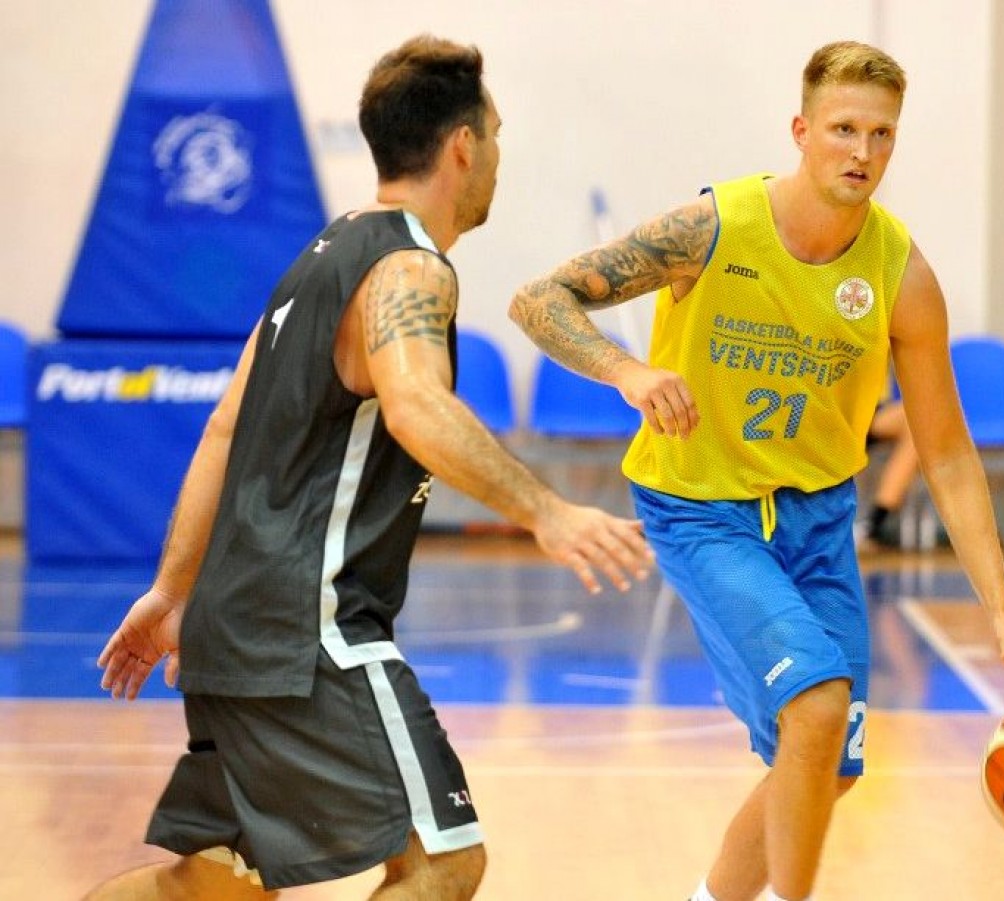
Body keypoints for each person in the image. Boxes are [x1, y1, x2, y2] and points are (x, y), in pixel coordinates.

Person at [509, 40, 1004, 901]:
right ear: (801, 131)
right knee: (815, 705)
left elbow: (948, 453)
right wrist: (627, 372)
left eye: (882, 135)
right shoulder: (710, 228)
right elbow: (538, 299)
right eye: (844, 129)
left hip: (817, 516)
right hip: (702, 506)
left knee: (829, 767)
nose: (862, 151)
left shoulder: (901, 275)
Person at [88, 35, 653, 901]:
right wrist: (549, 509)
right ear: (462, 145)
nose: (497, 154)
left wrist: (173, 592)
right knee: (442, 860)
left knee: (214, 883)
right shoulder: (411, 267)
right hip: (308, 630)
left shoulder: (319, 256)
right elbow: (415, 404)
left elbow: (221, 430)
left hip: (235, 626)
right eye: (495, 135)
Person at [860, 395, 921, 549]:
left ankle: (872, 524)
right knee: (916, 421)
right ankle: (873, 525)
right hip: (826, 404)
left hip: (868, 409)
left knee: (918, 421)